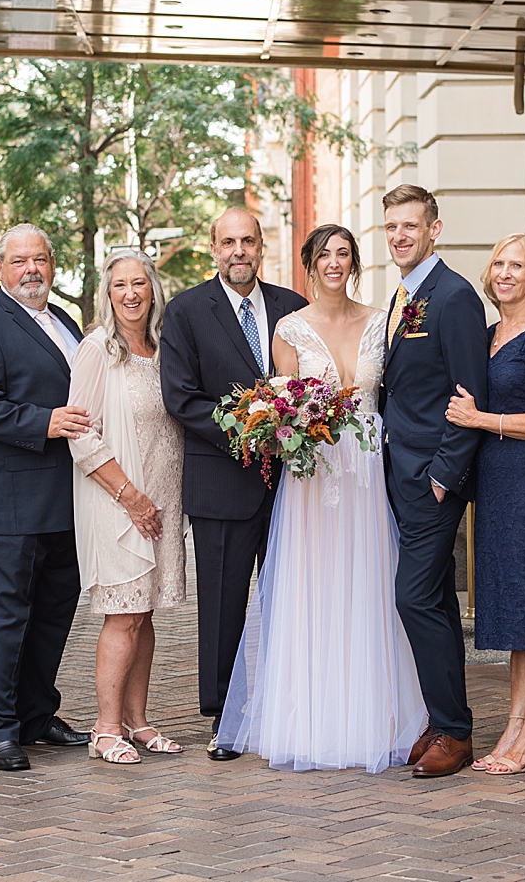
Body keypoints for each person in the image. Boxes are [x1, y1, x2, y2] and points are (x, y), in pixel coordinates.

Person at [218, 225, 426, 772]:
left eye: (344, 254)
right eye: (324, 255)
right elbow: (283, 404)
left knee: (370, 585)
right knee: (314, 589)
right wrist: (299, 425)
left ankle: (373, 717)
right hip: (314, 476)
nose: (334, 263)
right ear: (309, 265)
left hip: (368, 470)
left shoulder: (383, 322)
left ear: (354, 263)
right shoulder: (289, 328)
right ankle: (310, 720)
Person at [161, 207, 308, 760]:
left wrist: (293, 432)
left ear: (261, 245)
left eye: (248, 240)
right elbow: (182, 399)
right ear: (214, 248)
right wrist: (251, 433)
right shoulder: (186, 312)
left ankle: (284, 705)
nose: (238, 251)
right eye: (228, 242)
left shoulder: (293, 308)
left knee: (288, 598)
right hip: (221, 481)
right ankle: (226, 716)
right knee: (222, 603)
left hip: (290, 487)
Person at [0, 224, 90, 772]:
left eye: (41, 259)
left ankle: (35, 714)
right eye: (20, 261)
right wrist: (44, 422)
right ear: (1, 268)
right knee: (1, 618)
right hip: (1, 503)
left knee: (53, 614)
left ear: (53, 265)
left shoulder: (65, 323)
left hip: (61, 499)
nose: (32, 269)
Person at [445, 232, 525, 776]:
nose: (505, 273)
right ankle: (518, 723)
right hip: (495, 488)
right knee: (516, 611)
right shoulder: (491, 333)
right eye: (498, 263)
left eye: (517, 264)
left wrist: (481, 420)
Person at [379, 184, 489, 778]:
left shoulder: (454, 298)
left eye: (410, 226)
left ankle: (454, 729)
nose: (400, 236)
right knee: (436, 599)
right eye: (391, 227)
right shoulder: (402, 296)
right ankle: (447, 722)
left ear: (434, 229)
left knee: (414, 596)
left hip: (432, 477)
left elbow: (471, 392)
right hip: (398, 473)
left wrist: (446, 473)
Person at [67, 251, 187, 765]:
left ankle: (138, 721)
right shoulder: (97, 349)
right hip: (119, 501)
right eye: (121, 286)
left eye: (140, 283)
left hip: (162, 500)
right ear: (107, 293)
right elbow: (81, 435)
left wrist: (156, 503)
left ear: (153, 289)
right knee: (123, 617)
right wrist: (131, 498)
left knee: (146, 613)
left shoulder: (162, 349)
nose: (132, 294)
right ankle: (105, 727)